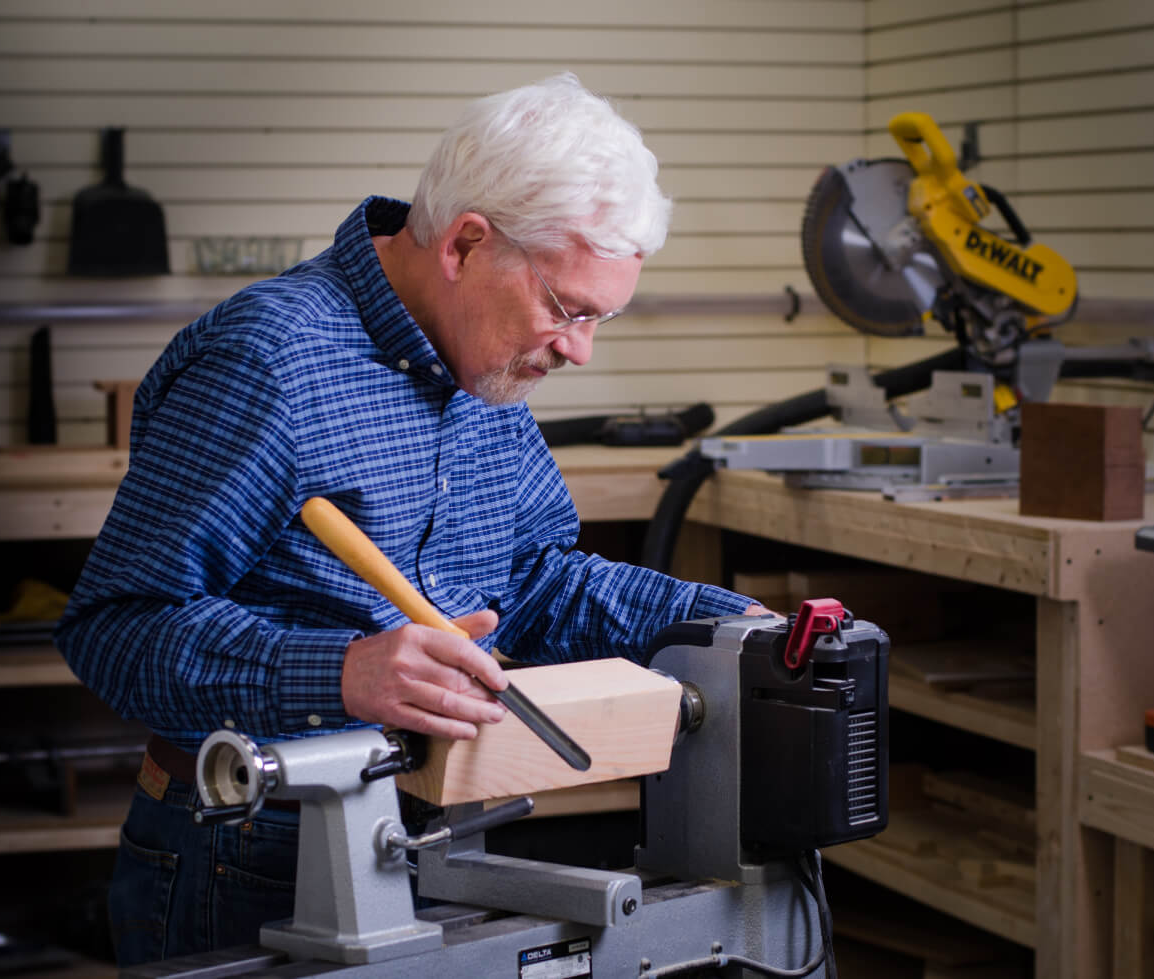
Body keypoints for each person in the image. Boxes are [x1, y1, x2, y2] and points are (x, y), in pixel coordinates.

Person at [54, 72, 763, 966]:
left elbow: (535, 580)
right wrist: (343, 673)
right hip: (246, 850)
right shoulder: (268, 363)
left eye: (600, 318)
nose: (579, 349)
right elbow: (114, 631)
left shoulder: (486, 366)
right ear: (468, 242)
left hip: (431, 832)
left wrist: (733, 627)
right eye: (566, 309)